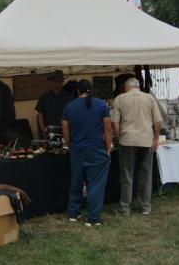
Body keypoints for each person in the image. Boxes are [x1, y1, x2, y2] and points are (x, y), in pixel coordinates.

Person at [62, 79, 111, 227]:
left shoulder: (69, 107)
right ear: (92, 90)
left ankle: (73, 213)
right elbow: (107, 130)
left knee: (76, 182)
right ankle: (93, 218)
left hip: (77, 150)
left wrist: (71, 146)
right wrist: (108, 149)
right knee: (95, 184)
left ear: (77, 91)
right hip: (96, 149)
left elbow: (65, 130)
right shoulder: (102, 105)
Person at [111, 77, 162, 216]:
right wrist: (156, 139)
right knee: (145, 174)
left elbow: (114, 122)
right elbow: (157, 122)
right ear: (138, 86)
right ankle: (145, 206)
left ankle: (125, 208)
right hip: (146, 140)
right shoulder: (149, 98)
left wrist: (118, 135)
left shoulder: (120, 99)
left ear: (126, 87)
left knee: (127, 175)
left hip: (127, 140)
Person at [36, 70, 73, 138]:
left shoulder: (69, 97)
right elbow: (40, 115)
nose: (59, 84)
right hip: (50, 133)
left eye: (61, 82)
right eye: (57, 81)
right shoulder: (44, 98)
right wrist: (43, 130)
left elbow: (73, 114)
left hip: (66, 132)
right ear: (52, 82)